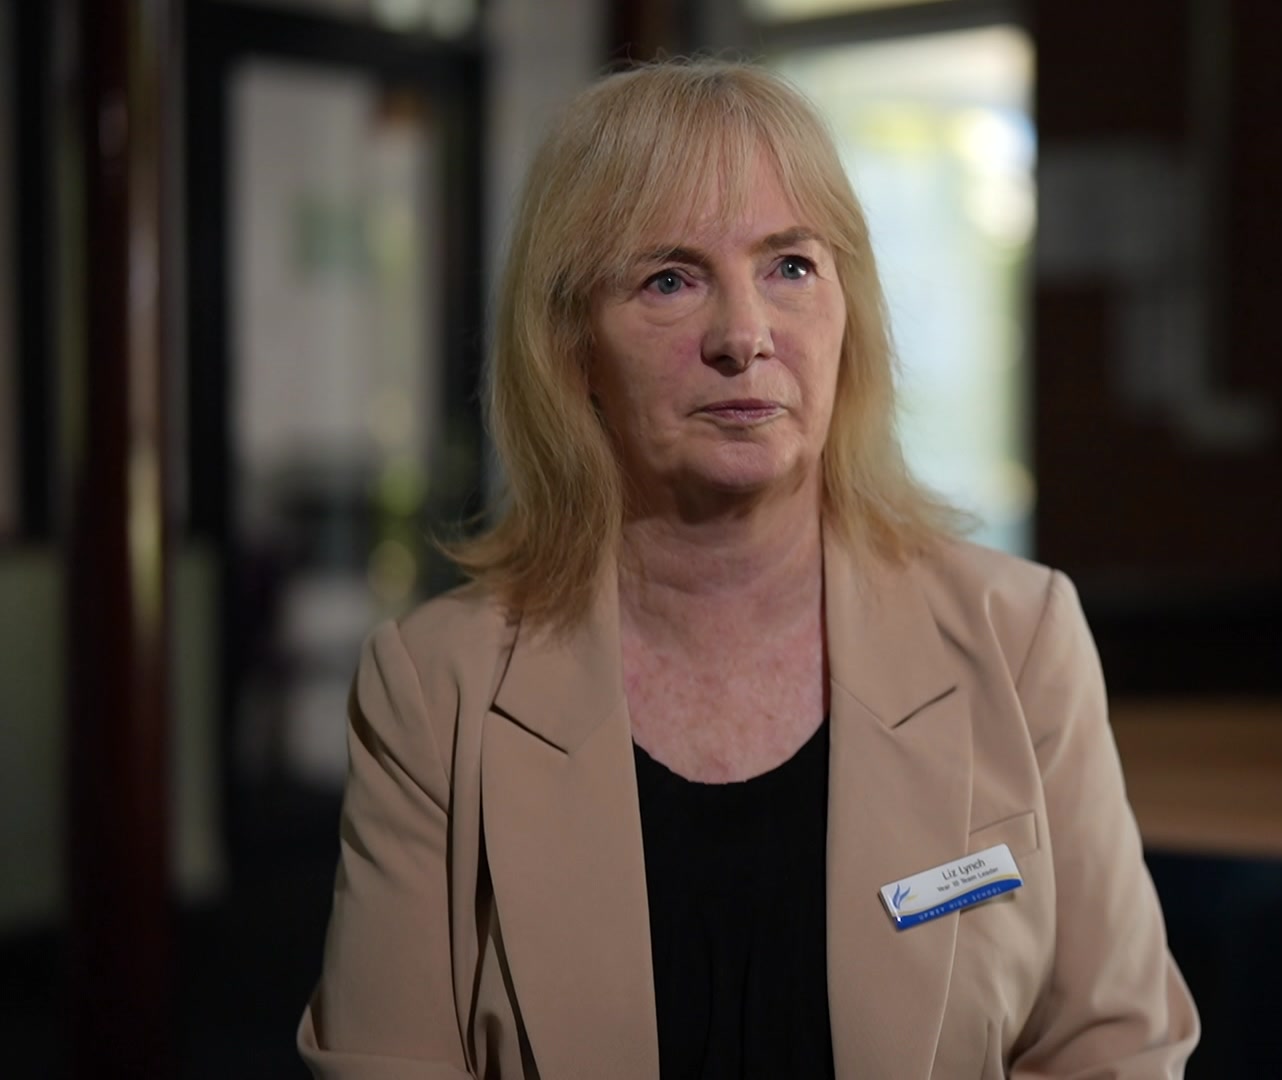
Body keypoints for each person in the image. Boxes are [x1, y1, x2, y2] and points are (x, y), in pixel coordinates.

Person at [296, 59, 1198, 1079]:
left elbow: (1115, 1047)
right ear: (570, 350)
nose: (744, 335)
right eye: (670, 279)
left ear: (847, 310)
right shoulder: (435, 687)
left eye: (791, 267)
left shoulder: (1020, 632)